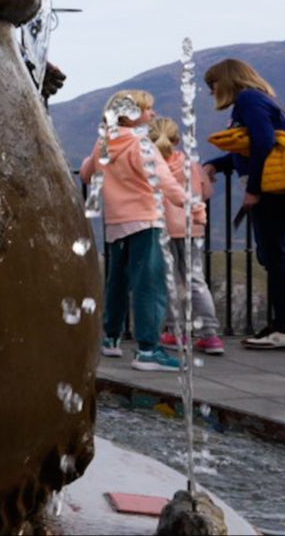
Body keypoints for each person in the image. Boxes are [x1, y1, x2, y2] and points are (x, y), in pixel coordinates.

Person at [202, 58, 285, 350]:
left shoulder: (248, 100)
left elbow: (264, 143)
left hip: (271, 192)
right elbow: (252, 147)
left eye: (213, 84)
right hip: (275, 191)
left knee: (275, 257)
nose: (212, 91)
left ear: (226, 81)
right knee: (274, 256)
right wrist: (216, 164)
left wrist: (254, 189)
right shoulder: (260, 99)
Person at [79, 90, 187, 372]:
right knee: (149, 284)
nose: (152, 114)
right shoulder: (142, 145)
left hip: (116, 222)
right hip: (145, 219)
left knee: (118, 281)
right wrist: (190, 206)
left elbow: (87, 173)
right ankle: (148, 350)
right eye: (148, 109)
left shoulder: (104, 142)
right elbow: (164, 181)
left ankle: (111, 338)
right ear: (132, 113)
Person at [150, 116, 225, 356]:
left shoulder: (150, 165)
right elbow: (206, 192)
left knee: (169, 280)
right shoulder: (190, 164)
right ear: (177, 140)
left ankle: (175, 331)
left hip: (163, 228)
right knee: (195, 280)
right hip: (192, 227)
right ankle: (210, 335)